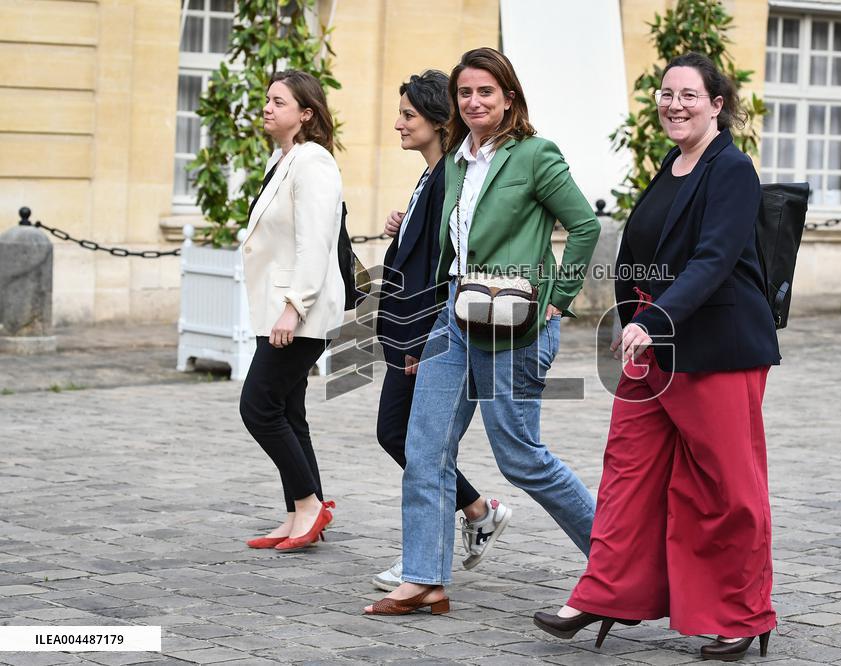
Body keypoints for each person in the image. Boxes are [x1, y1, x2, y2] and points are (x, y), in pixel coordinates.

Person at [532, 52, 781, 661]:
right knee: (627, 474)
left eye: (689, 95)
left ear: (716, 104)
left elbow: (715, 259)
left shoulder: (732, 170)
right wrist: (631, 317)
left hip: (715, 348)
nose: (674, 104)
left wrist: (655, 318)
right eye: (666, 94)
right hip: (651, 346)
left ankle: (743, 614)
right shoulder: (672, 163)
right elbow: (644, 253)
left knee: (726, 486)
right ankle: (604, 591)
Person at [364, 47, 600, 616]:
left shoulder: (535, 156)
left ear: (509, 98)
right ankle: (424, 578)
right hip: (454, 315)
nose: (474, 102)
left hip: (515, 323)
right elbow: (448, 248)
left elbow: (585, 226)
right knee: (424, 447)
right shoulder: (453, 164)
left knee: (520, 457)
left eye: (485, 92)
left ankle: (618, 558)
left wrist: (557, 300)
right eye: (465, 93)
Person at [371, 70, 511, 591]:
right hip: (412, 331)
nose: (399, 124)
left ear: (435, 120)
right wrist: (400, 225)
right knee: (412, 438)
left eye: (409, 115)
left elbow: (439, 269)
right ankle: (471, 515)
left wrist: (419, 341)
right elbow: (420, 252)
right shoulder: (431, 178)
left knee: (407, 437)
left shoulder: (449, 179)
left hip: (426, 332)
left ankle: (442, 544)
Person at [239, 70, 345, 553]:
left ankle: (308, 505)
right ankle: (299, 513)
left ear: (306, 113)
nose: (267, 107)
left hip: (299, 312)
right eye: (267, 99)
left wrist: (293, 308)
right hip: (279, 309)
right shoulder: (282, 161)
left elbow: (316, 243)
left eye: (278, 101)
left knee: (258, 407)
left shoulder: (313, 162)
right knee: (288, 410)